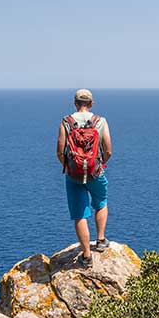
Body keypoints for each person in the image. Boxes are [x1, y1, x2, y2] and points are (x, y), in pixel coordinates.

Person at [57, 89, 112, 266]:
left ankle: (87, 255)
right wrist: (99, 164)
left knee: (80, 213)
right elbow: (109, 150)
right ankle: (101, 240)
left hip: (73, 175)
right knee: (101, 202)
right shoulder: (100, 121)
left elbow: (60, 150)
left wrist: (69, 166)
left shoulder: (66, 122)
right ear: (91, 103)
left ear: (75, 103)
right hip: (95, 172)